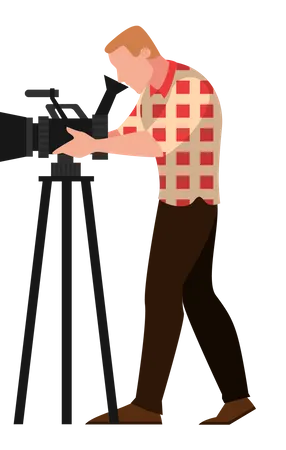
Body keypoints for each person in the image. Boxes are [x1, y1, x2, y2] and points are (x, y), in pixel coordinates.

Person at [52, 23, 257, 428]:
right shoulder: (148, 91)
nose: (118, 77)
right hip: (173, 201)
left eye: (120, 67)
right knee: (199, 298)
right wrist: (92, 145)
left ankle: (147, 406)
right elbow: (127, 132)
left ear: (145, 54)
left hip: (193, 202)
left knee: (161, 294)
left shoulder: (192, 86)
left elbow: (156, 142)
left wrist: (97, 146)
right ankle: (238, 396)